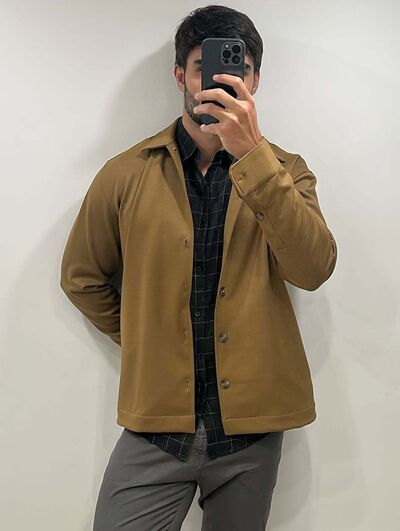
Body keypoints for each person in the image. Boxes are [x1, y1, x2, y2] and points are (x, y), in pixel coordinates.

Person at [60, 5, 337, 530]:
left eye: (240, 69)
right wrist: (144, 339)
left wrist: (252, 155)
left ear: (256, 80)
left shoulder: (286, 171)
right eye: (200, 67)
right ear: (179, 76)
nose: (221, 81)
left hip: (250, 432)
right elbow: (81, 276)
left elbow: (313, 267)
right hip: (156, 425)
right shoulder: (126, 174)